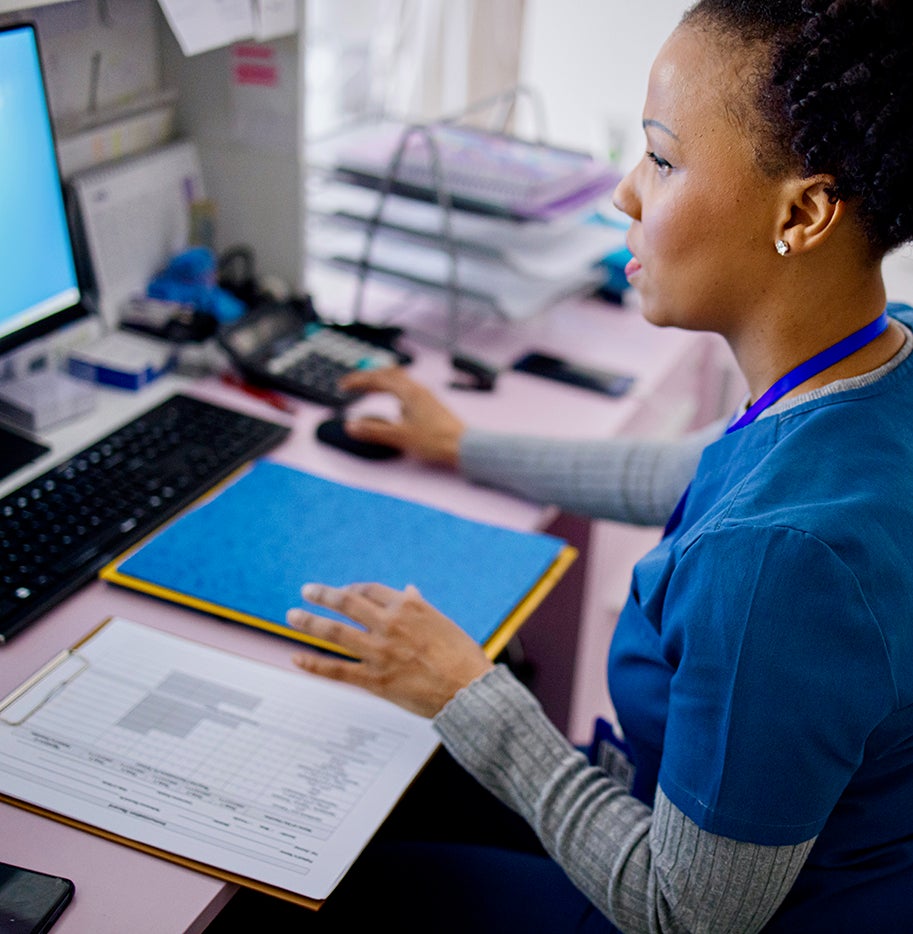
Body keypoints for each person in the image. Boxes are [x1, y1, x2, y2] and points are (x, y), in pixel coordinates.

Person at [282, 1, 913, 930]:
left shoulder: (779, 563)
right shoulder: (876, 359)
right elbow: (703, 474)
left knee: (336, 880)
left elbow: (681, 914)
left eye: (661, 158)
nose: (625, 192)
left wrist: (467, 690)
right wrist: (461, 445)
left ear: (805, 211)